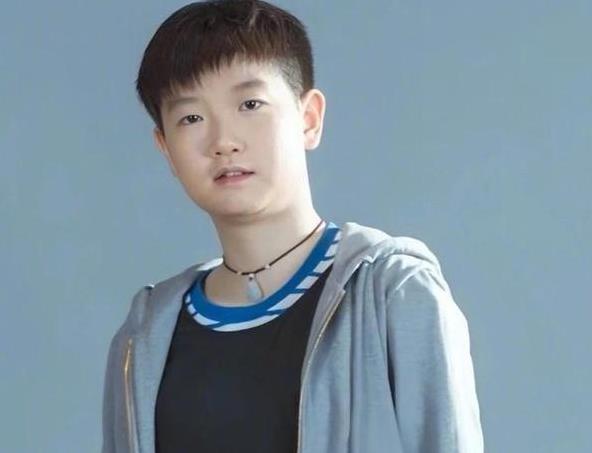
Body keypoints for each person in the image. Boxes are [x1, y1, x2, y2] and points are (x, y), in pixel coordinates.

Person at [100, 1, 484, 452]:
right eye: (191, 118)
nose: (223, 141)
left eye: (250, 104)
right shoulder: (145, 334)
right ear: (165, 148)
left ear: (309, 119)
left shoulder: (391, 292)